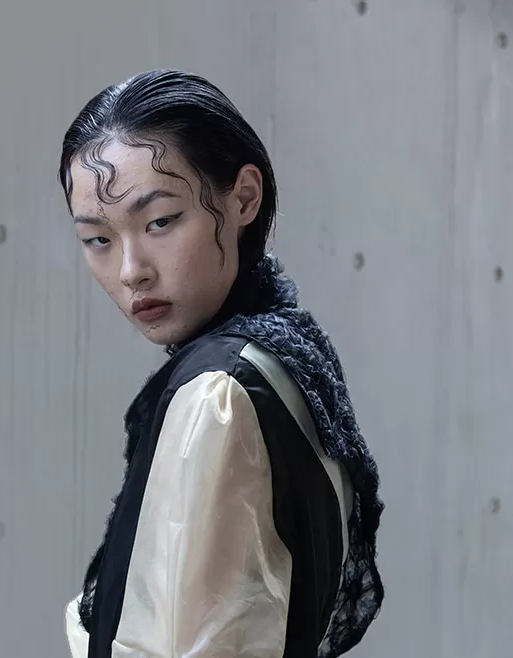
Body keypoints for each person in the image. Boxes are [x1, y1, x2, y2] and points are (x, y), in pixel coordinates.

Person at [57, 70, 385, 658]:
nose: (131, 271)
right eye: (98, 239)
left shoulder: (220, 396)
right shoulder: (282, 352)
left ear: (243, 199)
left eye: (160, 221)